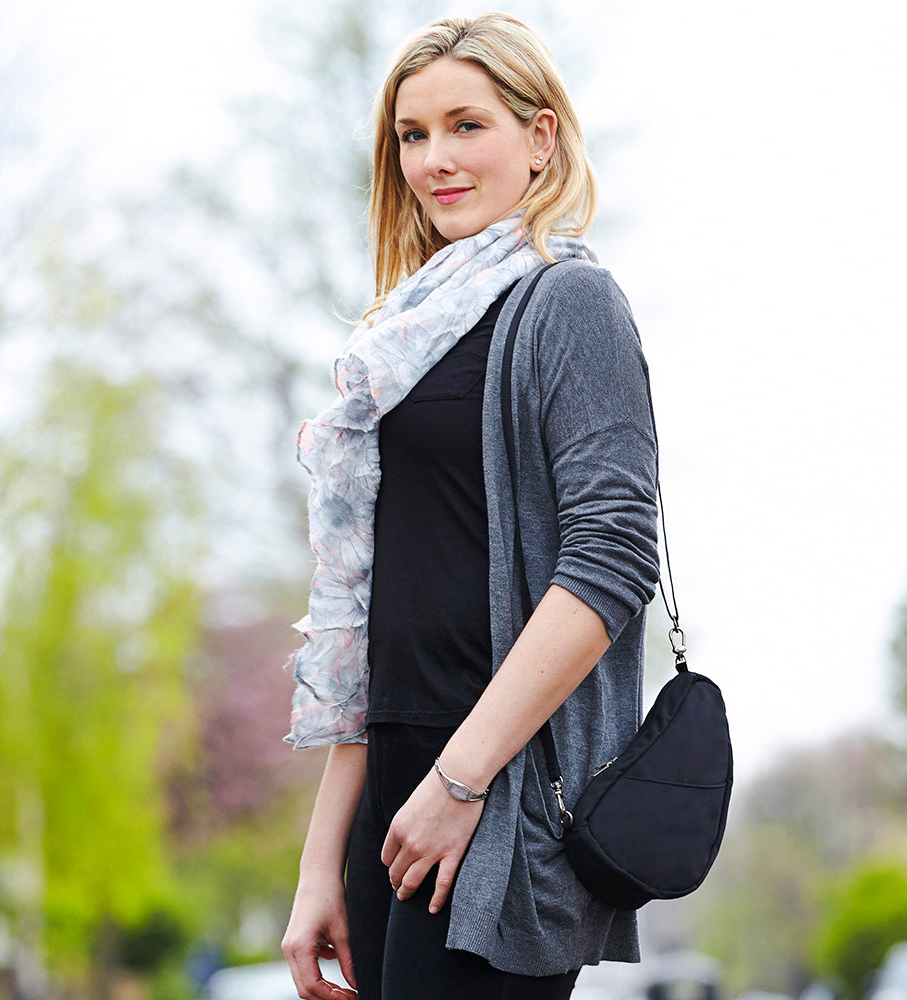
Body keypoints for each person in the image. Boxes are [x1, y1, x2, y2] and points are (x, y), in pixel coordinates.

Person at [280, 13, 660, 1000]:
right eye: (412, 135)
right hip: (394, 797)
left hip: (498, 791)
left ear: (539, 138)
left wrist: (462, 781)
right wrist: (322, 862)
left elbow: (613, 558)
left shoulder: (569, 305)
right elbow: (370, 622)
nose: (434, 159)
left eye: (466, 125)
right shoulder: (404, 337)